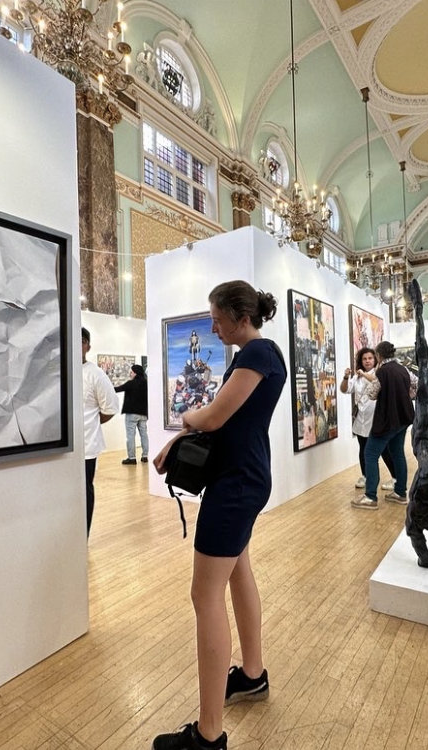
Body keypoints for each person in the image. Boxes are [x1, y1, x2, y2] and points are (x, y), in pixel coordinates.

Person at [152, 281, 286, 750]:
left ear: (241, 317)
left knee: (204, 595)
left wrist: (186, 420)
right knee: (238, 571)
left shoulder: (258, 354)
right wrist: (187, 429)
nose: (212, 327)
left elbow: (212, 417)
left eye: (216, 319)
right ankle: (252, 674)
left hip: (236, 485)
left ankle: (209, 734)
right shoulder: (256, 354)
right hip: (242, 478)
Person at [351, 341, 414, 510]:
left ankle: (370, 496)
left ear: (378, 356)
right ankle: (400, 493)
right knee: (398, 453)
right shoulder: (403, 369)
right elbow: (414, 386)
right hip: (403, 418)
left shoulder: (382, 372)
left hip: (387, 419)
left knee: (370, 454)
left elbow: (372, 394)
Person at [341, 347, 396, 491]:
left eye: (370, 358)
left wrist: (364, 374)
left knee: (384, 450)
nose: (367, 361)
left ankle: (396, 478)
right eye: (364, 359)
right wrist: (346, 377)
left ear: (375, 359)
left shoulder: (380, 372)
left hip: (377, 418)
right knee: (363, 448)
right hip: (361, 418)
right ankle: (365, 476)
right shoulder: (357, 377)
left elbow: (377, 381)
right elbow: (344, 389)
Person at [81, 327, 119, 537]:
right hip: (60, 446)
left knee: (84, 490)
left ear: (88, 346)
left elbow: (109, 409)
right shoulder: (57, 370)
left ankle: (82, 537)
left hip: (86, 446)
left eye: (81, 341)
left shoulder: (95, 374)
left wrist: (90, 424)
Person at [115, 363, 149, 465]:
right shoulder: (147, 384)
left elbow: (117, 389)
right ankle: (145, 456)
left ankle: (132, 457)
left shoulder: (131, 383)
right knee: (144, 434)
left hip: (132, 414)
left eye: (132, 372)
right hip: (143, 413)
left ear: (135, 373)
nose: (130, 373)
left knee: (130, 436)